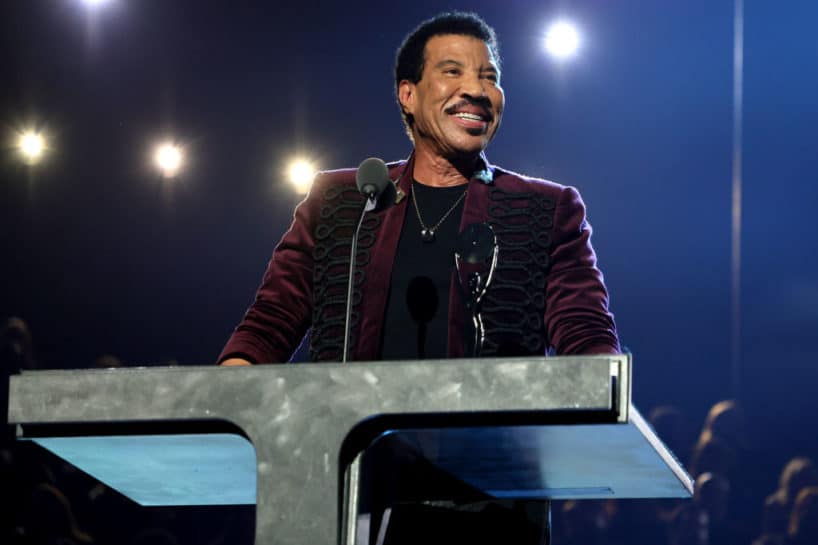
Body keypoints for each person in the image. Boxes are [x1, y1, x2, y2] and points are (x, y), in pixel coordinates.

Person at [219, 11, 618, 367]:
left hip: (492, 447)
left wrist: (605, 394)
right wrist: (219, 408)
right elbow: (269, 324)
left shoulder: (546, 209)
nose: (477, 91)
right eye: (452, 71)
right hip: (348, 445)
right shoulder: (341, 201)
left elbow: (585, 335)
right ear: (408, 94)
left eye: (489, 77)